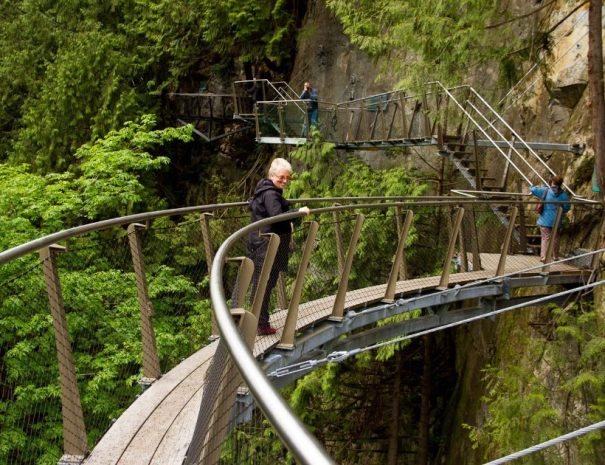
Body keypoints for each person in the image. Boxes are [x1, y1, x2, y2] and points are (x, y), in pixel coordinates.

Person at [247, 158, 310, 335]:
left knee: (262, 284)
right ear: (272, 175)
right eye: (281, 177)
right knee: (264, 285)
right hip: (267, 246)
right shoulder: (270, 194)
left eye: (287, 178)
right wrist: (298, 213)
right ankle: (260, 325)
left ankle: (257, 322)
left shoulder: (266, 190)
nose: (284, 181)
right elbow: (276, 215)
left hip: (261, 243)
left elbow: (261, 206)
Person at [530, 175, 570, 262]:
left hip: (544, 220)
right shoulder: (564, 195)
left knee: (545, 238)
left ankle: (544, 257)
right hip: (557, 220)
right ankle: (555, 256)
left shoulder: (545, 190)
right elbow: (567, 208)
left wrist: (533, 186)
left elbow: (533, 190)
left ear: (551, 182)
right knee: (556, 238)